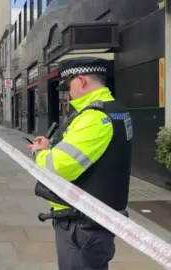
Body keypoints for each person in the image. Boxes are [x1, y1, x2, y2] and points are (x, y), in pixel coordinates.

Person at [26, 57, 133, 270]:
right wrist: (50, 144)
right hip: (96, 218)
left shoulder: (94, 118)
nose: (68, 92)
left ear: (81, 80)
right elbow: (83, 151)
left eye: (69, 85)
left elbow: (59, 167)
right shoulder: (116, 110)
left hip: (81, 225)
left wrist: (40, 153)